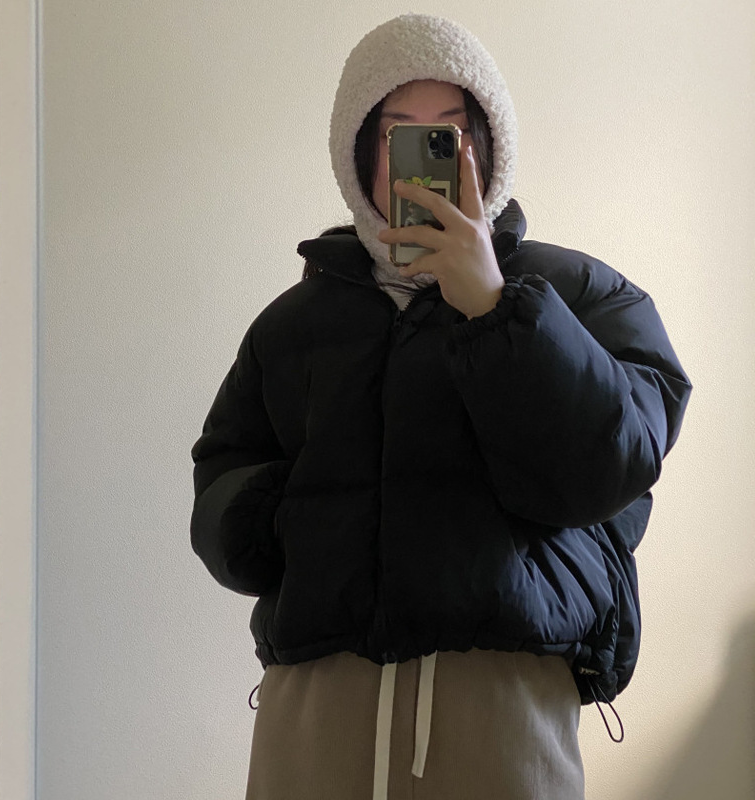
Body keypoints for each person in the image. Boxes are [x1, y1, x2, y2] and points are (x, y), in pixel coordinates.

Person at [190, 13, 691, 800]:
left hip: (506, 710)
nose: (427, 162)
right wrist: (294, 522)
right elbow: (223, 482)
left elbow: (609, 469)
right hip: (316, 708)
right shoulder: (294, 325)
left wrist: (496, 308)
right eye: (402, 134)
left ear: (487, 148)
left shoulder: (584, 297)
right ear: (361, 152)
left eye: (450, 134)